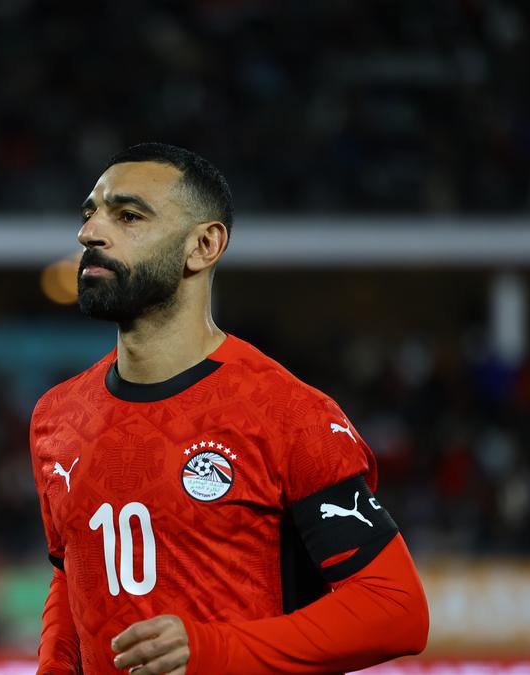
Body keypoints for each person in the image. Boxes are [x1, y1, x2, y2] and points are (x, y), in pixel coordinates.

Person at [29, 143, 429, 674]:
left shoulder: (287, 413)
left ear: (204, 246)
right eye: (90, 213)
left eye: (127, 216)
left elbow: (396, 610)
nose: (89, 233)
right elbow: (72, 573)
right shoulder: (57, 416)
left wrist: (212, 650)